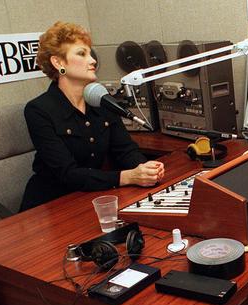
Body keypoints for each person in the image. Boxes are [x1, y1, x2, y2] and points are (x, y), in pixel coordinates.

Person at [20, 22, 164, 211]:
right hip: (50, 206)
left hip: (90, 197)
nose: (93, 60)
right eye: (82, 54)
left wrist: (146, 169)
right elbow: (68, 174)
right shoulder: (38, 110)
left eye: (90, 53)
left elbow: (125, 150)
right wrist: (128, 176)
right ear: (59, 63)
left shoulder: (101, 102)